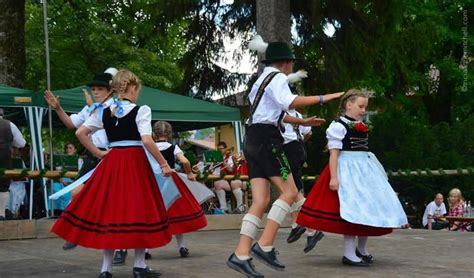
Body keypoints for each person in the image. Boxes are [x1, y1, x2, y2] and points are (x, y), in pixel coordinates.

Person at [226, 35, 344, 277]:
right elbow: (289, 101)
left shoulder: (261, 80)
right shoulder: (278, 77)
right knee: (290, 192)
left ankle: (241, 254)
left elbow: (273, 113)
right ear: (286, 63)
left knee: (259, 201)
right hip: (268, 142)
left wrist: (303, 122)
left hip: (252, 140)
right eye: (291, 62)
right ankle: (265, 245)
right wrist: (325, 98)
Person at [51, 69, 172, 278]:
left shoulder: (105, 111)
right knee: (140, 211)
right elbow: (146, 139)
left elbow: (80, 132)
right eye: (137, 90)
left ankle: (105, 270)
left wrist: (99, 153)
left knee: (111, 212)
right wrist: (163, 164)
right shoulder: (141, 110)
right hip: (135, 163)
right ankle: (139, 266)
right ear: (133, 88)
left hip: (113, 162)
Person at [296, 89, 408, 267]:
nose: (363, 110)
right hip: (348, 169)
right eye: (360, 106)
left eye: (365, 107)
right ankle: (349, 253)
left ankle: (361, 249)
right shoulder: (338, 126)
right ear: (349, 105)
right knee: (353, 210)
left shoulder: (360, 125)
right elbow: (334, 154)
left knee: (368, 209)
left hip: (365, 169)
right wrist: (334, 178)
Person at [44, 68, 116, 250]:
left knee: (114, 202)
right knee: (76, 192)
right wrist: (58, 108)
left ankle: (121, 248)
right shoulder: (91, 109)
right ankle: (77, 232)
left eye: (100, 88)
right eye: (94, 89)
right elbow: (71, 124)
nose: (96, 92)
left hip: (114, 157)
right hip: (94, 156)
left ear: (110, 90)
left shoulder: (119, 107)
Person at [0, 108, 26, 220]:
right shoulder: (9, 125)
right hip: (4, 160)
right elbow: (21, 143)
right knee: (3, 187)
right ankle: (1, 214)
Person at [213, 141, 246, 213]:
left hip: (229, 181)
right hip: (218, 180)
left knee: (219, 183)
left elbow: (230, 170)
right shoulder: (215, 158)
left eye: (221, 149)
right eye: (218, 149)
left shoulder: (229, 158)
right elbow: (211, 171)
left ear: (225, 149)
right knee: (217, 184)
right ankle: (224, 208)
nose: (220, 151)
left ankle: (240, 207)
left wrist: (222, 160)